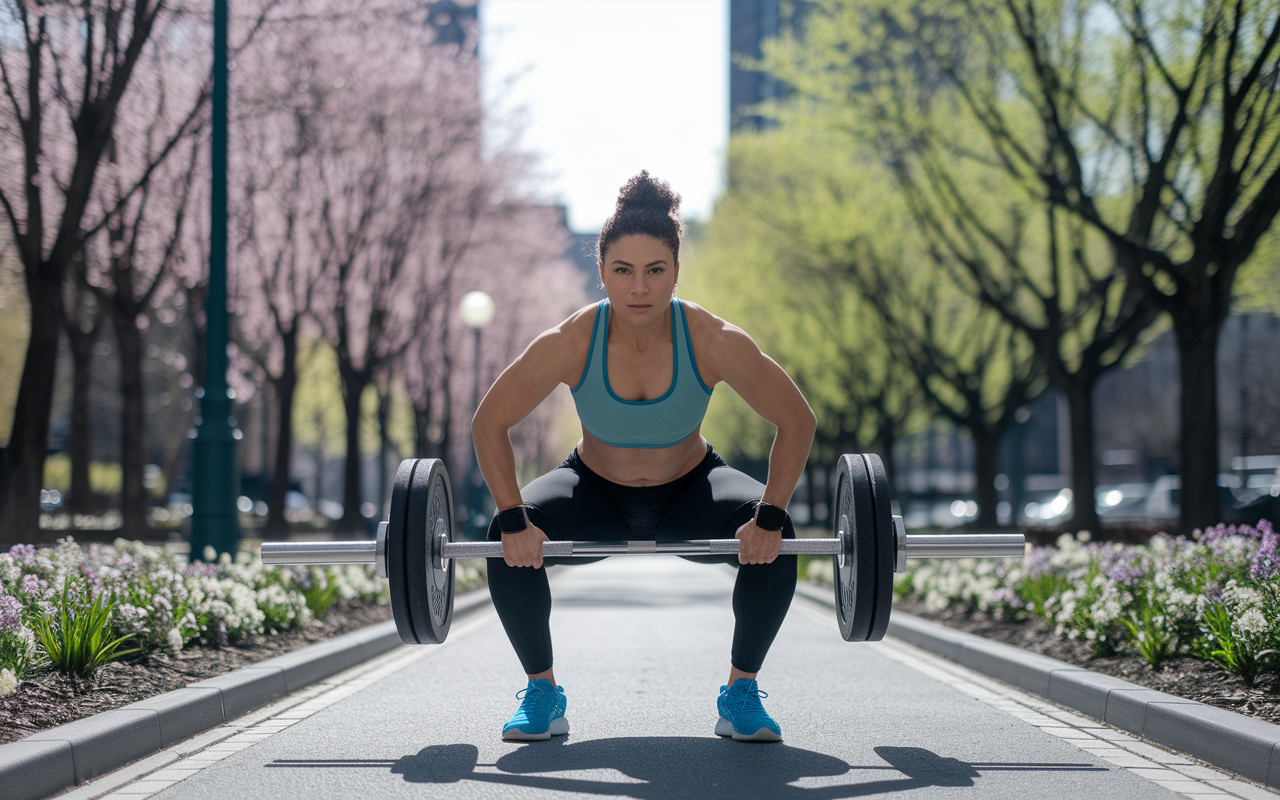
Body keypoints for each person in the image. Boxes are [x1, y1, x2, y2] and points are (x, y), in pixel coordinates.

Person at [471, 171, 816, 744]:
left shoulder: (709, 338)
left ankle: (741, 693)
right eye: (623, 271)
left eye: (655, 271)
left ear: (676, 272)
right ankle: (541, 692)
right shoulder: (573, 340)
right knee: (503, 538)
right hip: (593, 492)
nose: (639, 288)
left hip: (691, 489)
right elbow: (489, 422)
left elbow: (797, 419)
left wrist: (772, 515)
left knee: (776, 541)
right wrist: (513, 518)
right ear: (601, 270)